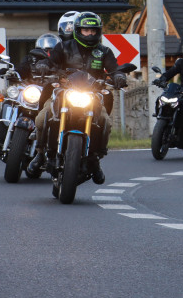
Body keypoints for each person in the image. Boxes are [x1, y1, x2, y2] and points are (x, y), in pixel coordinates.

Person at [31, 11, 127, 184]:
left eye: (93, 31)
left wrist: (119, 76)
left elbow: (114, 68)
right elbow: (51, 61)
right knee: (41, 117)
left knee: (105, 120)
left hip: (92, 94)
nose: (90, 34)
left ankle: (95, 160)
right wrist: (44, 65)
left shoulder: (104, 51)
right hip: (65, 90)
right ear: (77, 30)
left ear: (98, 32)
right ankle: (40, 154)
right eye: (85, 31)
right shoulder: (63, 47)